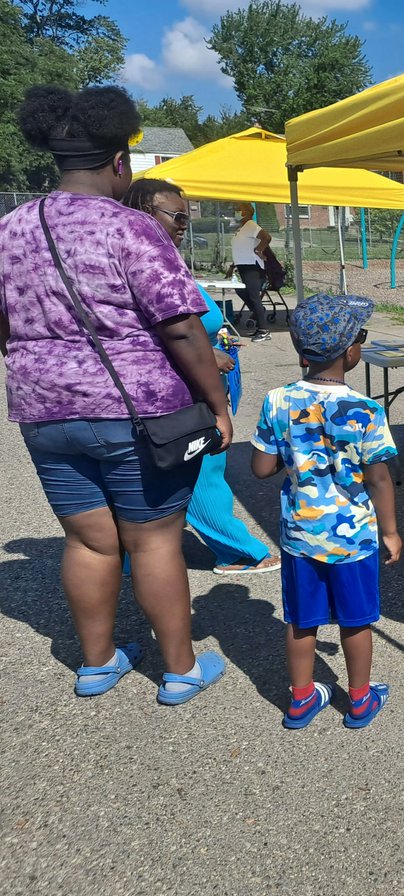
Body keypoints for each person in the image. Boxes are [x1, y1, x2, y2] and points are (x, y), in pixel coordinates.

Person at [0, 85, 229, 703]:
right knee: (153, 538)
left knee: (87, 539)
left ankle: (97, 663)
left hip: (43, 410)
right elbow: (180, 326)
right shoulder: (131, 229)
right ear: (119, 163)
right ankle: (179, 671)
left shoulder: (9, 228)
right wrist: (217, 403)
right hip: (133, 410)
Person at [251, 294, 402, 729]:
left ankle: (301, 699)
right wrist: (390, 531)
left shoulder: (277, 401)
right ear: (352, 351)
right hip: (353, 539)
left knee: (301, 621)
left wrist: (293, 450)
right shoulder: (367, 411)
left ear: (301, 352)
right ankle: (359, 699)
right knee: (356, 622)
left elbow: (261, 468)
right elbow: (378, 479)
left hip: (301, 536)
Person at [123, 178, 280, 576]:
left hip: (208, 378)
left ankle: (139, 551)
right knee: (204, 467)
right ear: (144, 211)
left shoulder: (165, 259)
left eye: (187, 215)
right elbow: (136, 331)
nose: (184, 223)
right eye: (176, 215)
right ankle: (241, 551)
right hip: (189, 388)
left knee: (203, 466)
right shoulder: (135, 262)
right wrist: (206, 355)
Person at [227, 202, 272, 343]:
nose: (235, 212)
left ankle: (264, 331)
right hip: (242, 265)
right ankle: (259, 313)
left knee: (253, 296)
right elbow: (241, 247)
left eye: (237, 210)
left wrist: (259, 250)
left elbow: (266, 237)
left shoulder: (251, 225)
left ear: (246, 212)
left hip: (252, 265)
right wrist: (232, 266)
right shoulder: (242, 228)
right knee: (241, 291)